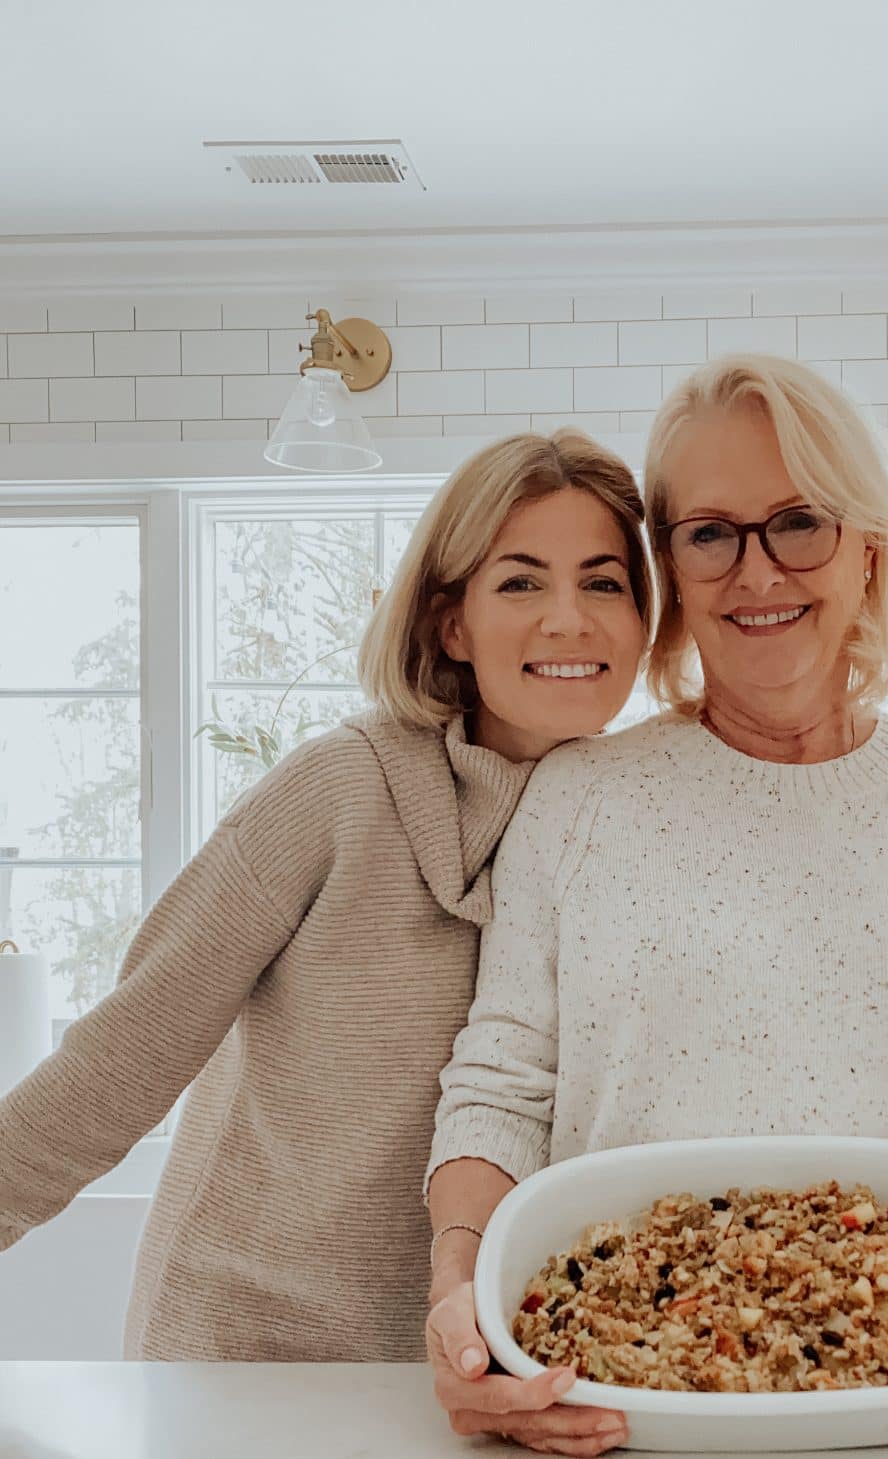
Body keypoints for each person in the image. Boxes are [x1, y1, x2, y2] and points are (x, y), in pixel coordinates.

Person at [424, 353, 888, 1456]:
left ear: (868, 548)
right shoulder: (580, 795)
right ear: (673, 569)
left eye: (798, 522)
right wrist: (460, 1292)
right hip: (630, 1408)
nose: (756, 569)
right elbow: (500, 1083)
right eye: (711, 532)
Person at [0, 431, 651, 1360]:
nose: (569, 620)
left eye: (603, 582)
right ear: (449, 622)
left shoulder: (630, 823)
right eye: (519, 582)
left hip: (476, 1361)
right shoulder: (339, 790)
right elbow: (124, 1055)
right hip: (242, 1347)